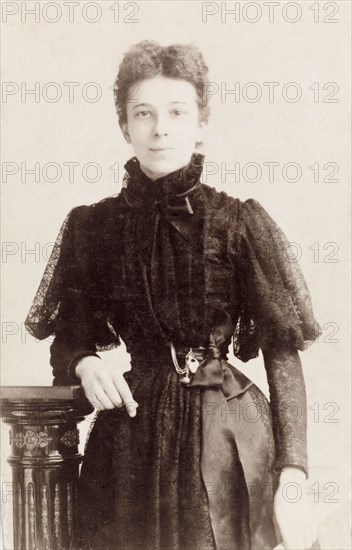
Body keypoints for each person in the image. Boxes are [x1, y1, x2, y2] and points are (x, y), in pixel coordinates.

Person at [25, 41, 321, 550]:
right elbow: (69, 337)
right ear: (125, 126)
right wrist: (85, 364)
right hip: (132, 437)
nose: (160, 128)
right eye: (144, 113)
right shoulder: (92, 226)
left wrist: (293, 471)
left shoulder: (238, 221)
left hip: (227, 429)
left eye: (177, 112)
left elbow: (282, 350)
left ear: (200, 123)